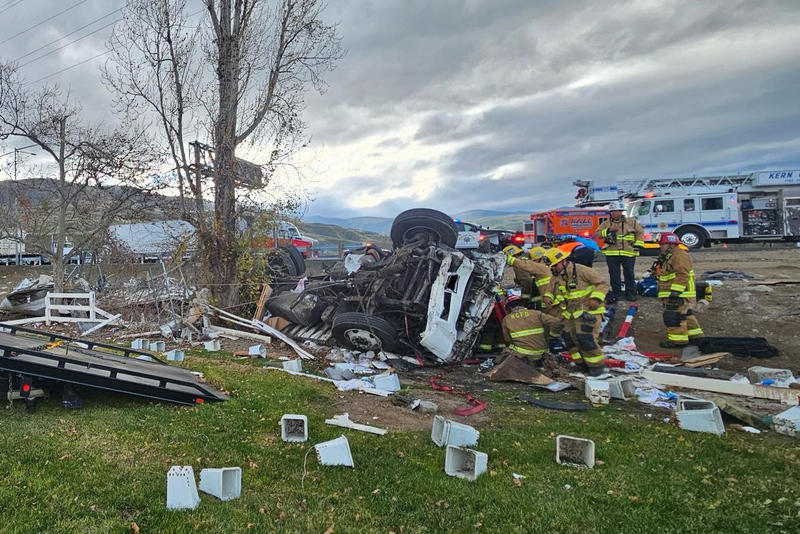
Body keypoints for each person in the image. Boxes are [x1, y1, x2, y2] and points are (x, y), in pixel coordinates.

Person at [543, 247, 609, 376]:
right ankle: (581, 365)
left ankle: (597, 367)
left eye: (554, 265)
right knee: (570, 339)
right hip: (570, 314)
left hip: (589, 311)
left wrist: (596, 298)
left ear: (563, 261)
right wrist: (547, 297)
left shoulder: (581, 270)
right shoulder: (556, 276)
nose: (552, 269)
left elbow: (602, 284)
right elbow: (550, 290)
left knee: (585, 338)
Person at [655, 232, 704, 347]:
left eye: (662, 244)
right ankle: (695, 336)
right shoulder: (670, 257)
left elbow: (682, 274)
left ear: (671, 244)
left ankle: (678, 341)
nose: (660, 247)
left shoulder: (679, 256)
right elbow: (668, 274)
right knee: (685, 314)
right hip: (678, 292)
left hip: (680, 293)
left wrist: (675, 292)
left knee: (673, 316)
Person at [594, 201, 645, 303]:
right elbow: (598, 234)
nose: (615, 213)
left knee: (629, 273)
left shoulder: (631, 222)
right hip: (612, 253)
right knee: (614, 274)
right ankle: (616, 293)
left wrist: (638, 244)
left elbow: (640, 232)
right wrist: (608, 230)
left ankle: (630, 293)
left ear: (622, 211)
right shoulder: (606, 223)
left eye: (617, 211)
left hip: (628, 252)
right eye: (613, 211)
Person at [503, 245, 552, 309]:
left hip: (544, 302)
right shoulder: (548, 266)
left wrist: (524, 300)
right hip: (545, 299)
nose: (533, 262)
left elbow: (526, 282)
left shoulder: (541, 267)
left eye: (534, 260)